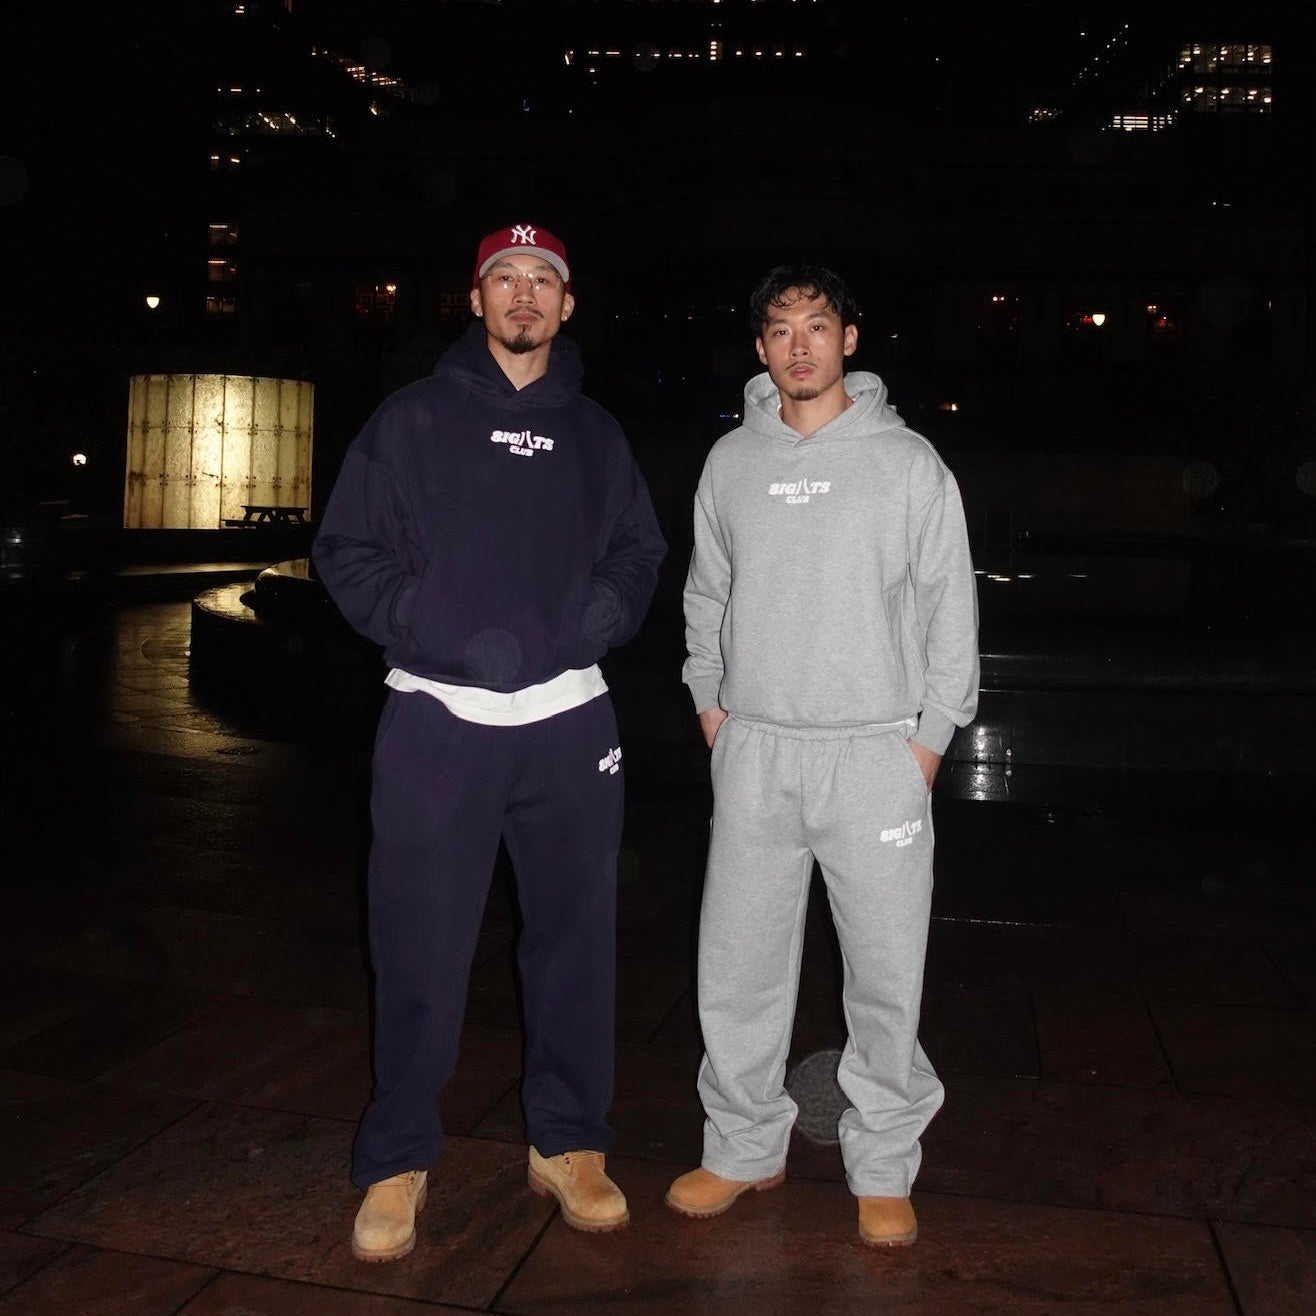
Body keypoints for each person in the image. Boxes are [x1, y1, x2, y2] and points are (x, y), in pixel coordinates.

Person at [313, 222, 667, 1261]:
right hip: (437, 721)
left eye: (541, 281)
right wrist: (427, 622)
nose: (522, 295)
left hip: (569, 719)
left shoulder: (596, 434)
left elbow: (639, 552)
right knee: (417, 944)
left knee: (575, 941)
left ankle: (568, 1141)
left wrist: (592, 620)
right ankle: (395, 1154)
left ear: (566, 306)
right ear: (474, 300)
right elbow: (345, 548)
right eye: (502, 278)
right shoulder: (410, 420)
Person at [667, 264, 979, 1247]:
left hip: (874, 755)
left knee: (884, 975)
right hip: (756, 751)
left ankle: (881, 1160)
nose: (797, 345)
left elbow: (949, 605)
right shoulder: (729, 461)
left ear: (849, 338)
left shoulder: (908, 463)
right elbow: (706, 594)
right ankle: (741, 1146)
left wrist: (928, 739)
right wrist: (711, 704)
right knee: (737, 967)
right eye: (778, 329)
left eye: (815, 325)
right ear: (760, 347)